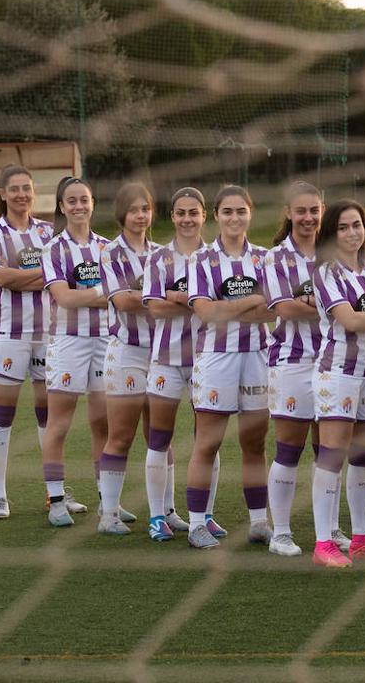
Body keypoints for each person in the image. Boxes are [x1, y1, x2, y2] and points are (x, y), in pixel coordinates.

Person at [185, 185, 276, 548]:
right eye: (227, 212)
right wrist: (253, 299)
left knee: (255, 442)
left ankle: (258, 522)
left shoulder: (266, 259)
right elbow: (206, 311)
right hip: (216, 358)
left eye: (241, 211)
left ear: (250, 213)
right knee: (208, 441)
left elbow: (274, 309)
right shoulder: (202, 260)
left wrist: (229, 305)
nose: (234, 218)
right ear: (217, 215)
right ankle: (195, 524)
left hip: (257, 356)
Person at [309, 199, 365, 568]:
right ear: (331, 232)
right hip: (337, 372)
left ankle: (360, 536)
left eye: (357, 225)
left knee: (364, 457)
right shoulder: (326, 272)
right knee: (332, 455)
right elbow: (350, 321)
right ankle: (323, 542)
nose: (353, 232)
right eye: (343, 227)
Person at [0, 165, 54, 519]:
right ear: (3, 194)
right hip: (7, 335)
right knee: (2, 414)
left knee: (48, 416)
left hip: (47, 336)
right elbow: (0, 276)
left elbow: (61, 278)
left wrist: (24, 278)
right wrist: (41, 277)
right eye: (15, 189)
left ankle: (54, 493)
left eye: (27, 188)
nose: (22, 194)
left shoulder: (47, 232)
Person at [39, 177, 112, 527]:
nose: (79, 206)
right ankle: (56, 500)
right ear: (62, 206)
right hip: (68, 343)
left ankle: (106, 502)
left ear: (93, 202)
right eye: (71, 201)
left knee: (103, 423)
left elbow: (122, 295)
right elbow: (64, 298)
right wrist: (104, 293)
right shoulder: (54, 249)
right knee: (60, 423)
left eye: (84, 199)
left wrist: (94, 295)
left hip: (105, 343)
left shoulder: (108, 248)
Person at [141, 187, 213, 541]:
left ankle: (207, 515)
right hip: (166, 359)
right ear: (172, 217)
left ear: (204, 215)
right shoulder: (158, 258)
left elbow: (221, 305)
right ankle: (158, 516)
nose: (187, 219)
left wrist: (174, 295)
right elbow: (153, 307)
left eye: (193, 213)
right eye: (181, 213)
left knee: (207, 439)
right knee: (159, 438)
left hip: (208, 359)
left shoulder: (215, 258)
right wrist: (195, 300)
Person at [261, 181, 324, 558]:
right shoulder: (276, 258)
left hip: (335, 364)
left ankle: (327, 529)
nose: (308, 218)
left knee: (328, 449)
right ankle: (280, 532)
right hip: (292, 361)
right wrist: (333, 307)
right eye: (300, 211)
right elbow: (283, 307)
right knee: (289, 448)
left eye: (314, 210)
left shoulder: (335, 254)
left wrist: (312, 302)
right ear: (288, 212)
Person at [95, 182, 159, 534]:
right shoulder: (110, 253)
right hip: (127, 352)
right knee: (121, 435)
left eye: (145, 209)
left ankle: (164, 511)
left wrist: (148, 296)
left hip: (162, 353)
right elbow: (123, 300)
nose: (140, 216)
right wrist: (160, 296)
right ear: (122, 213)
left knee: (159, 435)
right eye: (134, 210)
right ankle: (108, 514)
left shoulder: (162, 252)